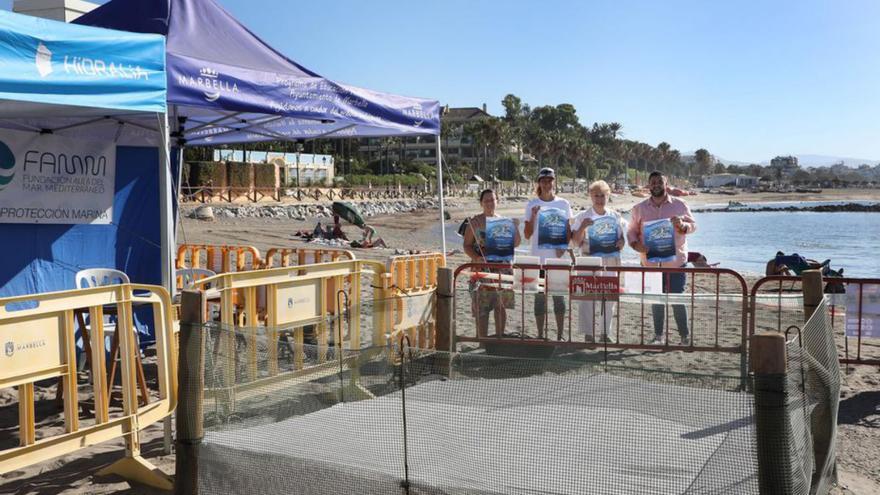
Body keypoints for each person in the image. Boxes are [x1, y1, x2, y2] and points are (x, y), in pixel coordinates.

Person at [626, 170, 697, 345]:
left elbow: (693, 226)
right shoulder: (639, 208)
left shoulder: (680, 205)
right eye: (653, 182)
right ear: (648, 185)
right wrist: (636, 245)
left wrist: (683, 225)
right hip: (650, 263)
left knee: (677, 299)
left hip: (676, 262)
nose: (656, 185)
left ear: (666, 184)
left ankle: (684, 337)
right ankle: (658, 336)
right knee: (656, 300)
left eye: (660, 182)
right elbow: (631, 232)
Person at [571, 180, 627, 343]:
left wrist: (621, 243)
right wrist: (582, 227)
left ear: (608, 196)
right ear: (590, 196)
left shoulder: (615, 215)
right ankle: (589, 333)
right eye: (596, 195)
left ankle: (605, 333)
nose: (599, 199)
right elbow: (575, 242)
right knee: (587, 297)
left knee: (609, 297)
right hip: (589, 260)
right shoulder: (583, 216)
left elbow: (621, 239)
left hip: (610, 260)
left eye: (602, 195)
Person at [463, 189, 521, 337]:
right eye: (486, 200)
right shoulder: (474, 222)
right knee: (482, 308)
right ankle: (482, 341)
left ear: (497, 201)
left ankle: (499, 339)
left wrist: (516, 227)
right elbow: (466, 245)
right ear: (481, 203)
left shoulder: (504, 221)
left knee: (500, 306)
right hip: (482, 270)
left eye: (492, 199)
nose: (490, 203)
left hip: (502, 270)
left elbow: (515, 243)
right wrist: (476, 257)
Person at [523, 167, 572, 340]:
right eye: (543, 180)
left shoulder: (563, 204)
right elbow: (527, 234)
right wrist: (534, 216)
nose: (547, 183)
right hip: (538, 259)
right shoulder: (531, 204)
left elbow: (568, 231)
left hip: (557, 259)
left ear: (554, 181)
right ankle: (540, 334)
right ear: (539, 183)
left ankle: (559, 335)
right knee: (539, 299)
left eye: (550, 180)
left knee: (559, 299)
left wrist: (564, 246)